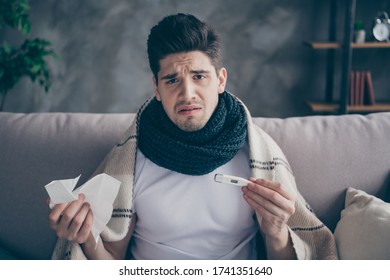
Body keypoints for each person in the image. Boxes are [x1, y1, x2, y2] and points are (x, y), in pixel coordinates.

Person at [48, 13, 338, 260]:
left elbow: (288, 266)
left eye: (199, 76)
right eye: (172, 80)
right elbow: (112, 261)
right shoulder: (131, 158)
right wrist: (86, 237)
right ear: (157, 88)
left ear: (220, 80)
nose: (187, 94)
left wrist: (276, 231)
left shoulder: (256, 153)